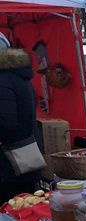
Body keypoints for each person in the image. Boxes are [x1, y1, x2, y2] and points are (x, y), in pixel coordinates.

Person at [0, 32, 42, 204]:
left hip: (9, 165)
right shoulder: (17, 75)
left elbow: (5, 122)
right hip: (23, 158)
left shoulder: (3, 79)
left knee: (11, 212)